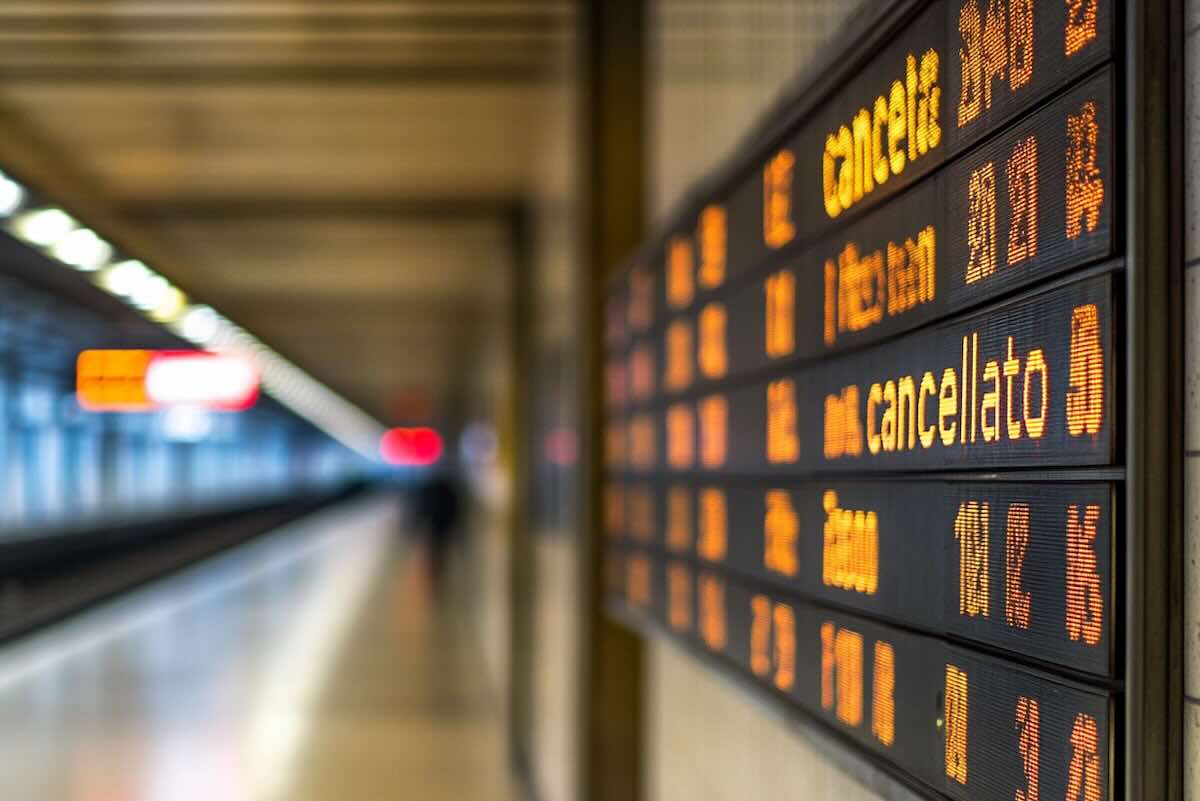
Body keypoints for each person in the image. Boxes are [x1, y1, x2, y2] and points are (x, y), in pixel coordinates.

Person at [413, 470, 463, 588]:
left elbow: (422, 508)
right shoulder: (449, 489)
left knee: (433, 549)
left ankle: (433, 573)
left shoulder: (430, 489)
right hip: (441, 527)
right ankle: (436, 573)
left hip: (435, 526)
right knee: (439, 550)